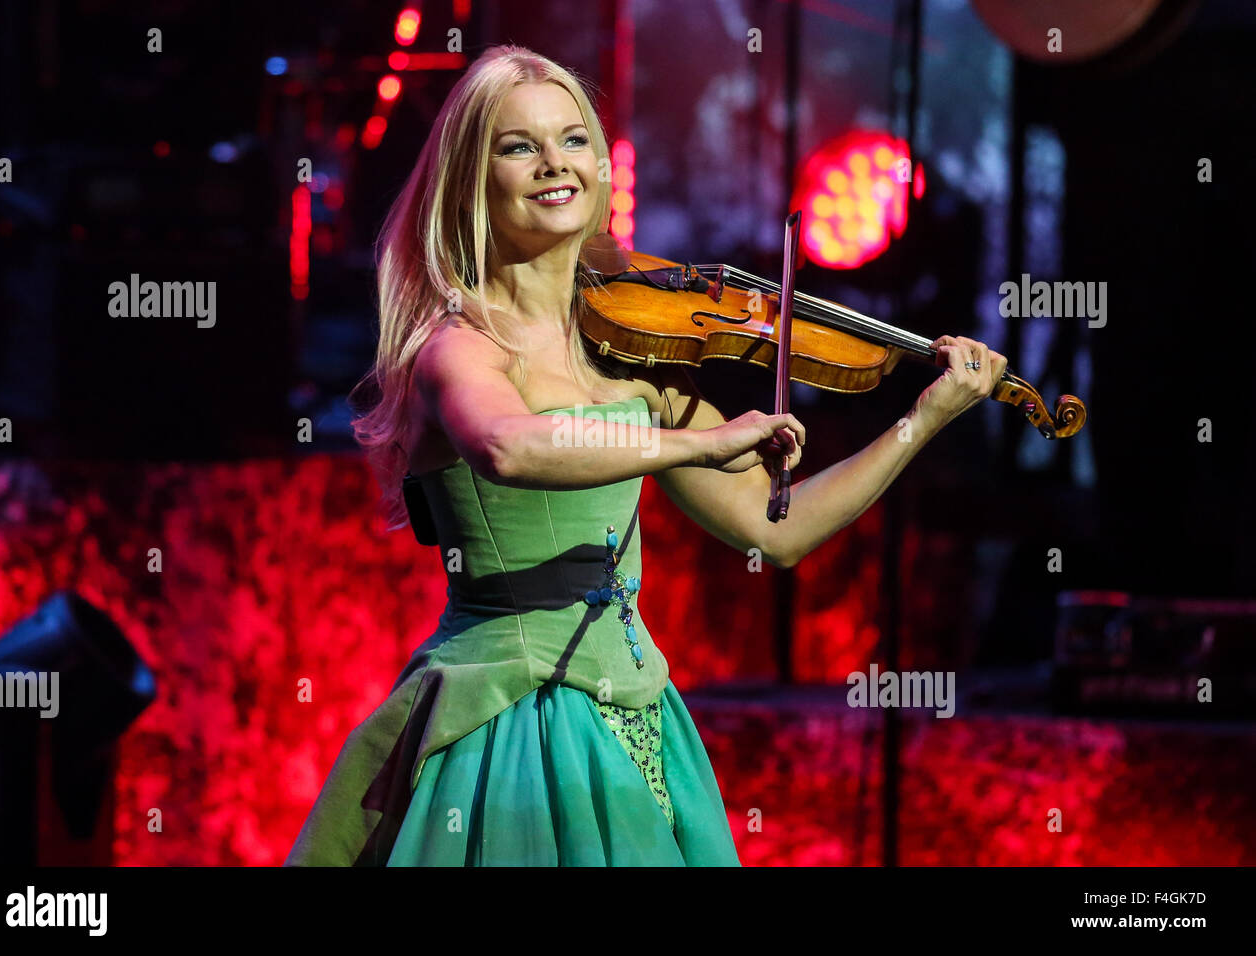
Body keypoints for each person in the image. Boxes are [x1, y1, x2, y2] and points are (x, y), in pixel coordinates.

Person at [284, 44, 1006, 867]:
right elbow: (509, 446)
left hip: (641, 711)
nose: (556, 163)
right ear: (472, 181)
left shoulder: (631, 351)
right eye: (519, 146)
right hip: (511, 712)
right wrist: (700, 440)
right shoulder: (459, 344)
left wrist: (927, 415)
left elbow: (778, 532)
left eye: (574, 139)